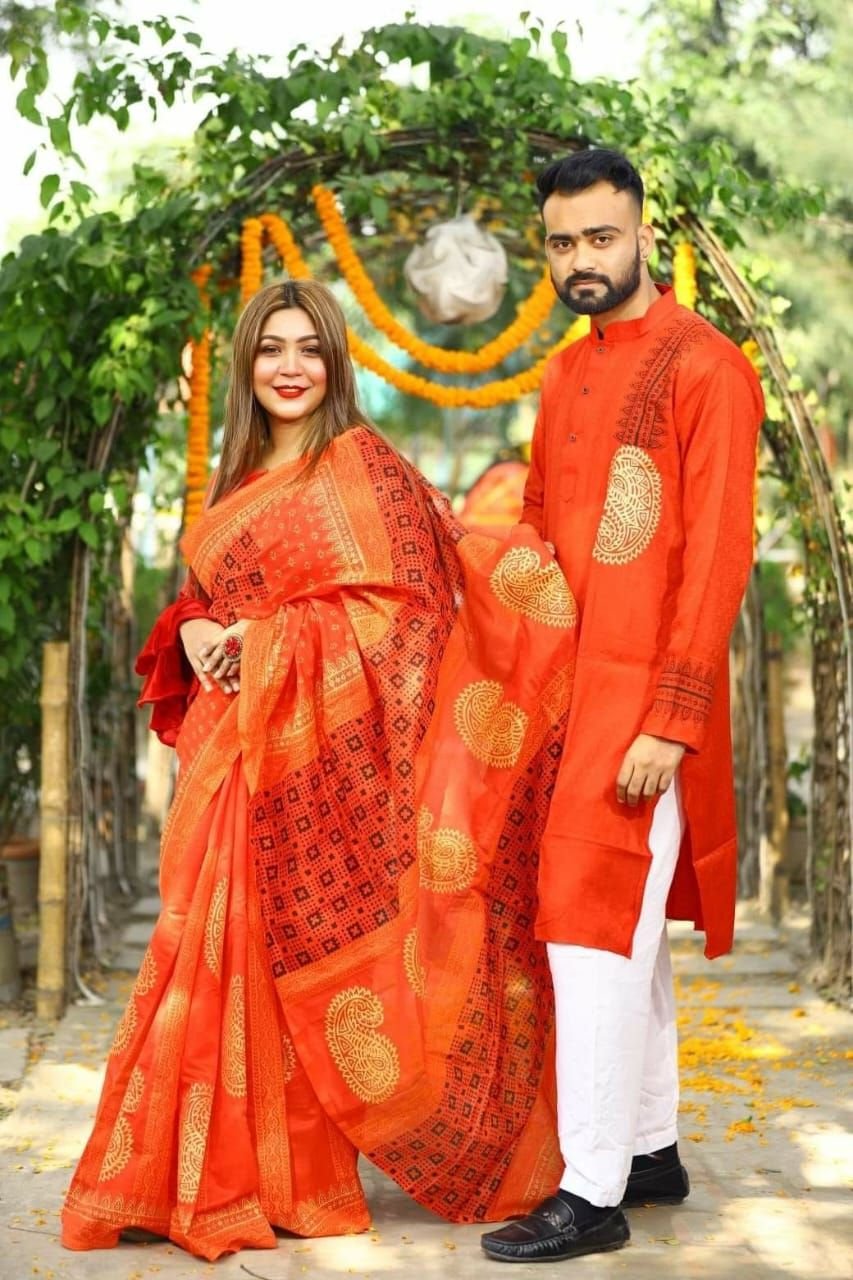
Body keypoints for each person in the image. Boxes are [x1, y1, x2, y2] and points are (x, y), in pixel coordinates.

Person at [61, 279, 579, 1261]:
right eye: (271, 348)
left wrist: (271, 641)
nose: (289, 366)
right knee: (197, 951)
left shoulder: (364, 465)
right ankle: (179, 1175)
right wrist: (204, 628)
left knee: (273, 961)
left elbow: (413, 611)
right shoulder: (239, 477)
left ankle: (278, 1181)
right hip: (228, 751)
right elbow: (200, 601)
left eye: (308, 348)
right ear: (247, 364)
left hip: (309, 757)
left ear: (335, 363)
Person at [481, 148, 764, 1264]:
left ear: (644, 235)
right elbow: (539, 528)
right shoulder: (562, 375)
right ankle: (648, 1150)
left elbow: (719, 556)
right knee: (624, 942)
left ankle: (589, 1192)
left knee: (593, 936)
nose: (580, 260)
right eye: (561, 243)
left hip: (643, 707)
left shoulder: (708, 368)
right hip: (573, 696)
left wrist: (670, 718)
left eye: (600, 238)